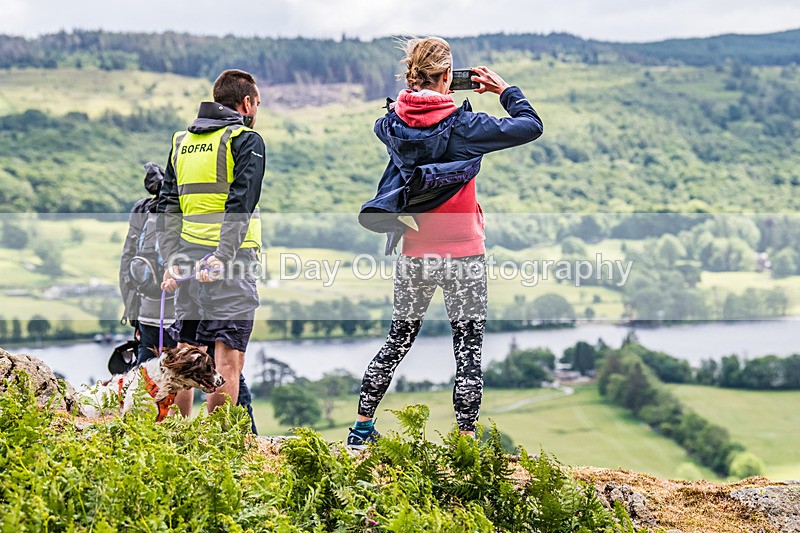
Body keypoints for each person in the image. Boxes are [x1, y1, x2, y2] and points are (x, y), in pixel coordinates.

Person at [348, 37, 543, 447]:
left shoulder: (390, 125)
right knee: (468, 348)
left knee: (398, 337)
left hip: (415, 252)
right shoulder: (465, 126)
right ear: (446, 78)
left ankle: (361, 428)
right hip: (465, 253)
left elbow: (391, 120)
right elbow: (531, 125)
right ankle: (464, 442)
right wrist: (505, 90)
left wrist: (416, 96)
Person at [157, 69, 265, 424]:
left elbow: (168, 204)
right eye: (258, 103)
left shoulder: (181, 141)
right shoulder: (245, 139)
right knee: (226, 360)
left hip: (187, 258)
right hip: (230, 263)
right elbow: (240, 205)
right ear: (246, 103)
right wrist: (222, 256)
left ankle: (174, 444)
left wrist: (171, 258)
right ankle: (216, 450)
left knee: (187, 355)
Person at [122, 162, 258, 432]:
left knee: (153, 381)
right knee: (225, 371)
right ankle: (236, 438)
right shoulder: (195, 212)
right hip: (188, 304)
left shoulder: (146, 213)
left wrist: (132, 314)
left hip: (151, 316)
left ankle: (165, 434)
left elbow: (128, 263)